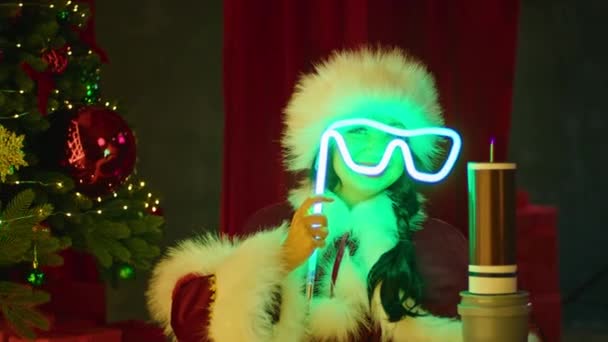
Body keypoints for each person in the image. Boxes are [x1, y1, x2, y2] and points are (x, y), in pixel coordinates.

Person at [146, 47, 538, 341]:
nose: (376, 147)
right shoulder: (271, 226)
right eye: (357, 130)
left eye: (394, 131)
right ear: (323, 144)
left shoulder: (439, 244)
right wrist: (281, 258)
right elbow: (197, 323)